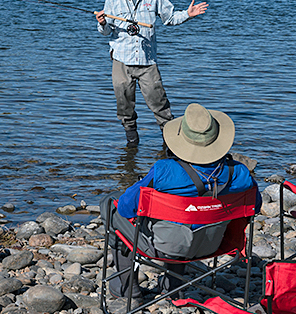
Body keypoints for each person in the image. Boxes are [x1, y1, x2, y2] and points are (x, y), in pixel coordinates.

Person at [103, 103, 262, 298]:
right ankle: (173, 287)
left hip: (162, 247)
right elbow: (255, 207)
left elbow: (127, 207)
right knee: (187, 221)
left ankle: (127, 288)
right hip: (213, 243)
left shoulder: (164, 171)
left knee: (111, 206)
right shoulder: (239, 173)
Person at [95, 0, 208, 147]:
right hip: (121, 61)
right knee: (124, 105)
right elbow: (107, 33)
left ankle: (170, 141)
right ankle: (132, 141)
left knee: (160, 103)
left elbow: (170, 18)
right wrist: (102, 23)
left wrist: (188, 14)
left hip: (148, 62)